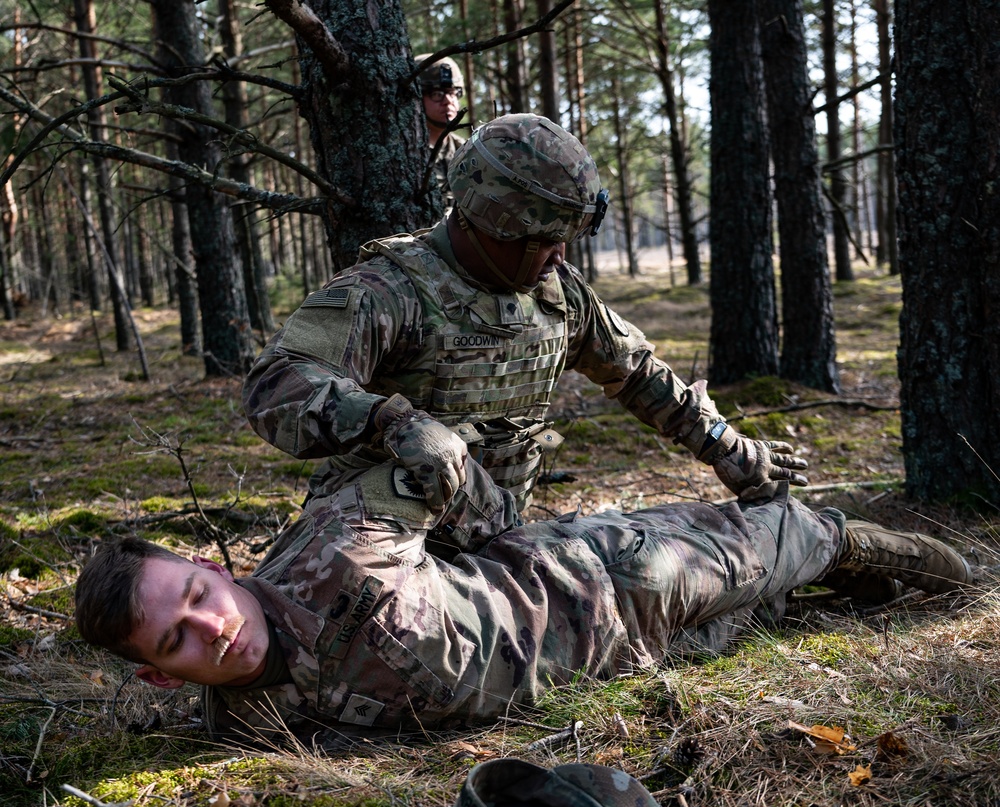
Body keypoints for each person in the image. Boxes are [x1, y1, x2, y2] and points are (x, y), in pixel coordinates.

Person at [74, 458, 973, 743]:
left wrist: (500, 536)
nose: (213, 627)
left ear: (208, 566)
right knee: (772, 620)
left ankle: (947, 572)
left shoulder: (333, 543)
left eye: (197, 593)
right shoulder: (244, 728)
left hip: (615, 576)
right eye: (179, 640)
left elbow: (438, 469)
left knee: (795, 545)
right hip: (626, 668)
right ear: (160, 678)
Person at [242, 113, 808, 520]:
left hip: (498, 538)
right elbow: (277, 384)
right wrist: (392, 422)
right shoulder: (388, 291)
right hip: (378, 540)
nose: (560, 256)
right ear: (491, 222)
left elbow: (637, 373)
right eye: (544, 240)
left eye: (566, 238)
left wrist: (724, 445)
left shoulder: (556, 294)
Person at [414, 53, 468, 208]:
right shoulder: (406, 153)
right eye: (437, 94)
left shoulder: (467, 150)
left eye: (454, 93)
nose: (448, 101)